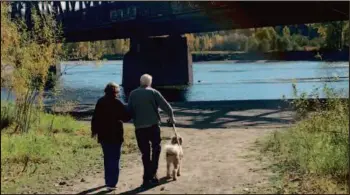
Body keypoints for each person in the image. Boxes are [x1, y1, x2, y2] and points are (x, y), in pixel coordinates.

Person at [128, 74, 176, 188]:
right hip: (153, 126)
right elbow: (167, 106)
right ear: (150, 82)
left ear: (140, 82)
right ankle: (153, 174)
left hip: (139, 127)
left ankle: (146, 177)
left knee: (145, 153)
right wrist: (171, 117)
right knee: (156, 149)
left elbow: (129, 110)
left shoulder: (133, 94)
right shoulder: (153, 92)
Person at [91, 82, 131, 191]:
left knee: (107, 158)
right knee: (115, 158)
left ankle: (108, 181)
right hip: (116, 134)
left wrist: (94, 132)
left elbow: (95, 118)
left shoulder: (100, 101)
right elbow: (126, 118)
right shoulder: (117, 102)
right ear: (116, 92)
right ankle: (112, 183)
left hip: (103, 135)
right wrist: (130, 110)